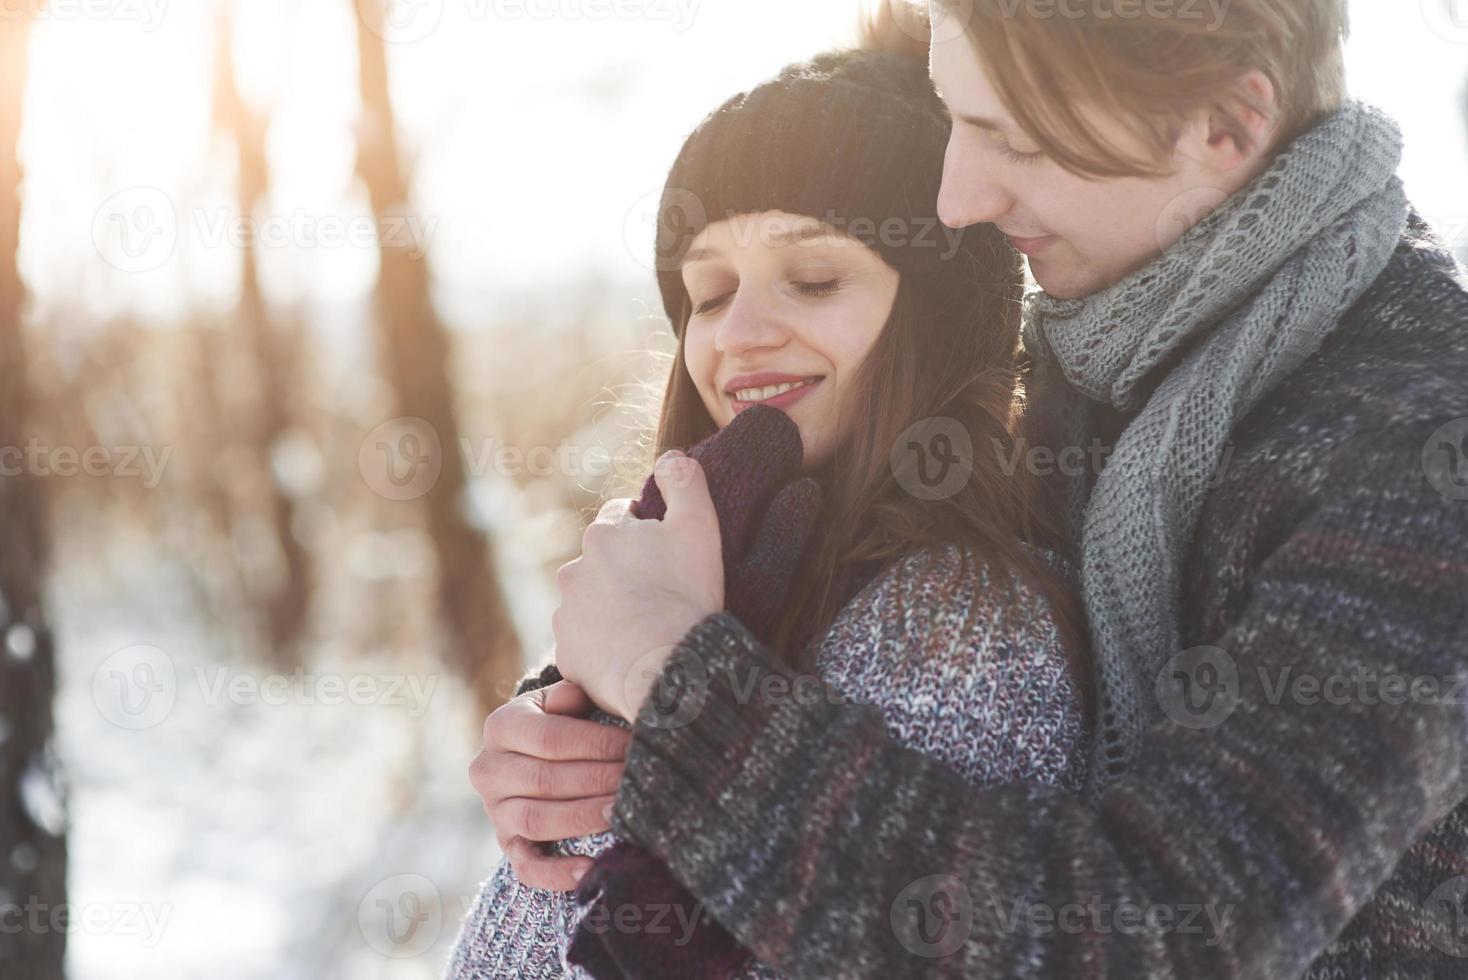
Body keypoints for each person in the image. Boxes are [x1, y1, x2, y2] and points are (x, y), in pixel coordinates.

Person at [479, 0, 1468, 976]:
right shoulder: (1101, 351)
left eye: (1009, 137)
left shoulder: (1417, 458)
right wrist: (574, 721)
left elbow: (1155, 934)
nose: (958, 196)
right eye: (954, 118)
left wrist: (667, 673)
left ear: (1226, 125)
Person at [451, 19, 1096, 979]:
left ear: (940, 315)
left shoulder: (956, 628)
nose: (740, 334)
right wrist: (566, 730)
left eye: (813, 277)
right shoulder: (733, 560)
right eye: (708, 294)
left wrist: (653, 677)